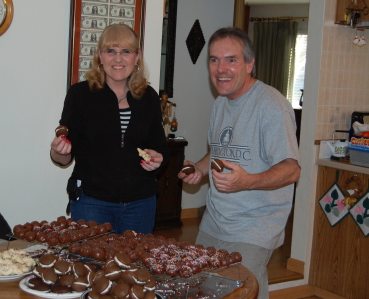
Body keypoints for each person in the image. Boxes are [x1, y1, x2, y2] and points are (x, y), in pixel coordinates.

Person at [178, 27, 300, 299]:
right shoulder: (221, 102)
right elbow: (220, 152)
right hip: (214, 221)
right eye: (214, 59)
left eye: (231, 59)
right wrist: (199, 168)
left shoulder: (271, 106)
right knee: (207, 289)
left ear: (249, 64)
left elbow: (292, 169)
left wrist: (247, 181)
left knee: (233, 292)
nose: (221, 68)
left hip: (254, 226)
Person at [50, 24, 168, 235]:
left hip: (140, 204)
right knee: (92, 267)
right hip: (92, 203)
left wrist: (157, 159)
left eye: (126, 51)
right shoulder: (80, 95)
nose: (118, 58)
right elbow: (65, 157)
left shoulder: (148, 96)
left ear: (137, 57)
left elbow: (160, 147)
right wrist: (58, 151)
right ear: (99, 56)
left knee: (135, 267)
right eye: (110, 51)